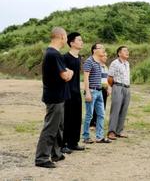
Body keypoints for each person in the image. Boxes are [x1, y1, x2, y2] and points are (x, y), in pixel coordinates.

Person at [35, 27, 73, 168]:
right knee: (51, 128)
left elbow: (63, 73)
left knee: (58, 127)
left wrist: (68, 72)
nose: (66, 40)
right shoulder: (53, 54)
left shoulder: (53, 53)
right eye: (66, 37)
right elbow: (65, 75)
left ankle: (56, 153)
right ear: (62, 37)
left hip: (58, 96)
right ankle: (41, 158)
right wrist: (71, 72)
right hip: (54, 96)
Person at [61, 32, 85, 154]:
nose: (82, 42)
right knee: (67, 118)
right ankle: (63, 144)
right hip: (67, 92)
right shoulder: (65, 57)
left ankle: (73, 142)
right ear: (71, 43)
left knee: (77, 117)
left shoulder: (79, 57)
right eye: (79, 40)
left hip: (77, 91)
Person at [82, 43, 111, 144]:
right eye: (101, 48)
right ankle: (85, 137)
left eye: (103, 47)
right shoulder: (89, 61)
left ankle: (99, 137)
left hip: (99, 91)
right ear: (94, 50)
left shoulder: (99, 62)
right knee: (89, 115)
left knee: (101, 114)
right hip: (92, 91)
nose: (103, 49)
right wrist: (88, 92)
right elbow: (85, 78)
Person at [107, 46, 131, 140]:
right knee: (115, 109)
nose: (127, 52)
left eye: (127, 50)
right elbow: (110, 77)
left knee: (124, 110)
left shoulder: (127, 63)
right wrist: (114, 87)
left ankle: (119, 131)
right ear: (119, 53)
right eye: (125, 51)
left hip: (127, 87)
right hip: (117, 86)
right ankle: (111, 132)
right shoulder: (115, 63)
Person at [91, 51, 110, 128]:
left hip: (104, 89)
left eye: (106, 56)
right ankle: (92, 123)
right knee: (95, 106)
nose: (106, 57)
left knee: (102, 106)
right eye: (104, 56)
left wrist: (108, 88)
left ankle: (98, 122)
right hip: (97, 88)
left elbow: (106, 79)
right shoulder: (96, 66)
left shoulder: (105, 67)